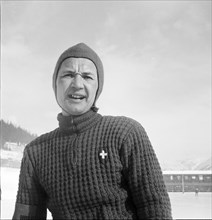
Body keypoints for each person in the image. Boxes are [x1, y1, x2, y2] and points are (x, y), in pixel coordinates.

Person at [13, 43, 172, 219]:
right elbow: (26, 215)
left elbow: (155, 206)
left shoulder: (125, 133)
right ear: (55, 84)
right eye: (68, 74)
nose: (77, 84)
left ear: (98, 87)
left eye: (87, 77)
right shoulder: (35, 152)